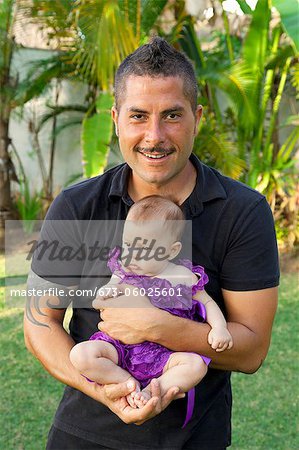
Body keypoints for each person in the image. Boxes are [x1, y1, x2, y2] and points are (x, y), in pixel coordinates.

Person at [24, 37, 279, 450]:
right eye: (139, 116)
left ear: (197, 117)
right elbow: (41, 322)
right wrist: (105, 391)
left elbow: (250, 350)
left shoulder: (242, 212)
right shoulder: (77, 206)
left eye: (172, 115)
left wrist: (157, 327)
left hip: (194, 439)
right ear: (116, 119)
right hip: (85, 435)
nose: (154, 136)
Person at [69, 196, 233, 415]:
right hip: (120, 349)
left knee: (196, 365)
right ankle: (127, 384)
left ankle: (154, 390)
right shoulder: (123, 271)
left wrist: (219, 328)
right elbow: (105, 294)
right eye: (128, 245)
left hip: (164, 355)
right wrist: (108, 291)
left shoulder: (183, 277)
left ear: (172, 251)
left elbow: (208, 302)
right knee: (80, 354)